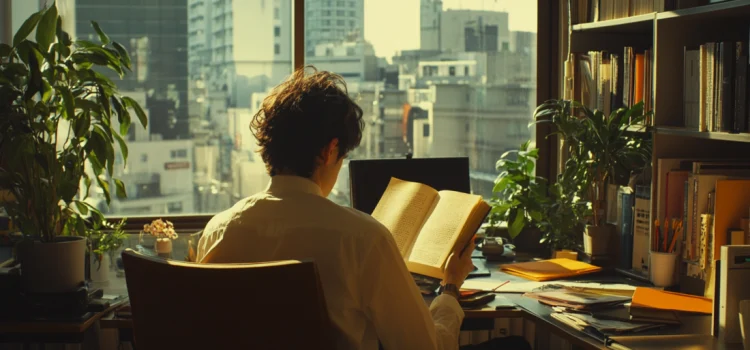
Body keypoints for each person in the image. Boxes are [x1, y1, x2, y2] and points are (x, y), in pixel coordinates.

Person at [196, 67, 531, 350]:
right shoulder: (361, 238)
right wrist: (449, 289)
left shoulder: (217, 231)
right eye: (342, 157)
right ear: (329, 152)